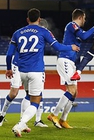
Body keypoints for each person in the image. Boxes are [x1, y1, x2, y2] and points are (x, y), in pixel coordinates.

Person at [9, 8, 79, 137]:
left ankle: (23, 124)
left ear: (27, 19)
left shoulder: (17, 33)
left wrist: (9, 68)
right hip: (36, 71)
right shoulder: (44, 31)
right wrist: (71, 47)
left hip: (22, 71)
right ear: (40, 19)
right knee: (35, 102)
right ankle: (20, 124)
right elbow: (57, 46)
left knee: (28, 97)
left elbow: (9, 55)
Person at [47, 9, 94, 129]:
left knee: (74, 93)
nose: (85, 20)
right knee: (71, 90)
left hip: (71, 62)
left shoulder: (77, 30)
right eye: (84, 18)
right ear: (81, 17)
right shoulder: (72, 25)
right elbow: (84, 36)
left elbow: (86, 36)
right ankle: (53, 115)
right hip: (65, 59)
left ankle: (63, 120)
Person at [0, 19, 49, 127]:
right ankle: (2, 115)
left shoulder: (23, 33)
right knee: (14, 93)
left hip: (31, 67)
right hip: (18, 65)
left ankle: (36, 120)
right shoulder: (32, 33)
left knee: (35, 93)